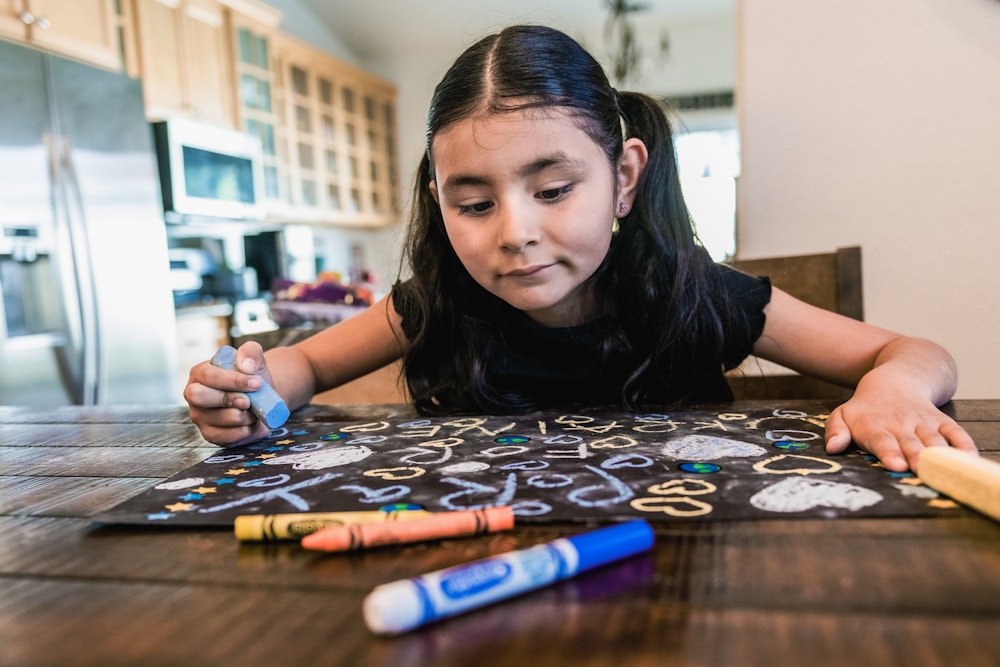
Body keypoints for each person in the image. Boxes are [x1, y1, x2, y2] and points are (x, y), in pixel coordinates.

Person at [184, 24, 976, 473]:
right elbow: (309, 366)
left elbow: (914, 351)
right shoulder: (440, 299)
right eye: (473, 202)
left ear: (623, 178)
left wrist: (895, 391)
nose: (514, 230)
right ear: (439, 202)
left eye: (553, 189)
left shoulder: (688, 290)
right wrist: (256, 389)